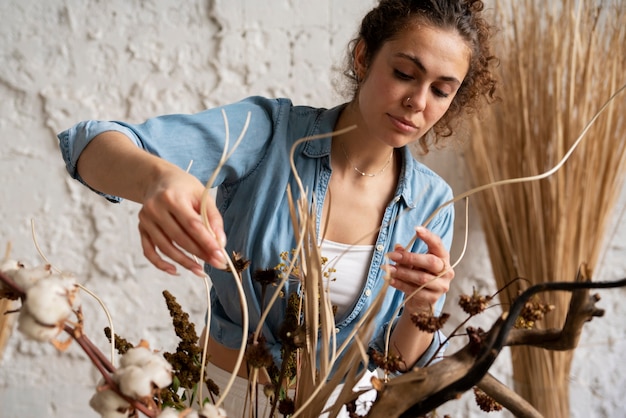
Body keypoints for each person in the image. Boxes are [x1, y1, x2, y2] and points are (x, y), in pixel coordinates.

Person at [58, 0, 496, 415]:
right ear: (363, 57)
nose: (418, 102)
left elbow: (395, 366)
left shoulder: (434, 201)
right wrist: (159, 178)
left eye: (441, 90)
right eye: (404, 73)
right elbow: (89, 145)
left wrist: (423, 304)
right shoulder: (268, 135)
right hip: (223, 401)